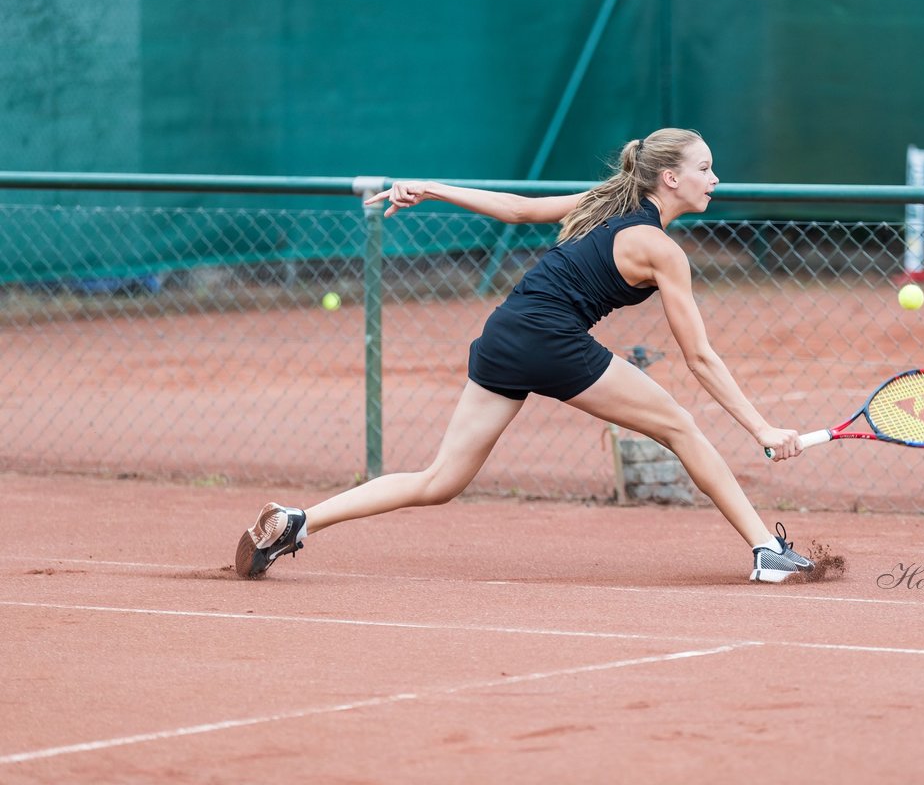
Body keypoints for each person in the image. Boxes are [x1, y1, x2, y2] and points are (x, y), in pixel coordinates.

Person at [234, 128, 815, 583]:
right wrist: (761, 426)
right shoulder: (662, 250)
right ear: (669, 178)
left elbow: (516, 210)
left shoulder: (605, 202)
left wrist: (432, 186)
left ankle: (298, 522)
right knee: (683, 428)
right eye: (705, 169)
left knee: (440, 480)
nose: (715, 178)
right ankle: (766, 551)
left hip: (505, 332)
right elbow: (701, 358)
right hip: (552, 340)